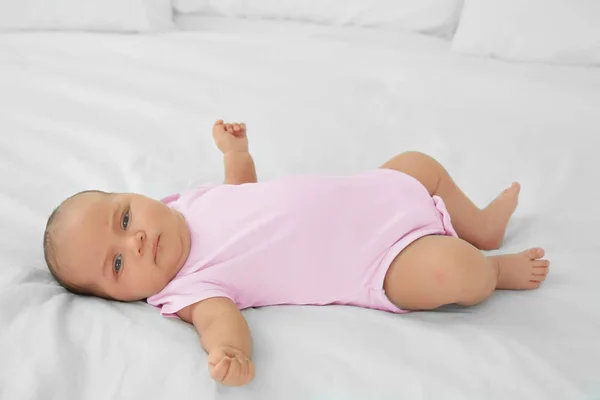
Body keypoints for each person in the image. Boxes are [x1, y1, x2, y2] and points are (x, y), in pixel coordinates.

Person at [43, 120, 550, 387]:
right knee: (455, 274)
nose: (133, 241)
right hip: (379, 263)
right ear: (123, 297)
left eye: (125, 219)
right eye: (116, 264)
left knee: (418, 163)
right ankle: (493, 268)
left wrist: (235, 156)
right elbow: (220, 321)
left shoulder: (186, 203)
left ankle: (480, 226)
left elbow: (243, 194)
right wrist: (229, 352)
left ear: (136, 198)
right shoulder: (187, 290)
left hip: (372, 193)